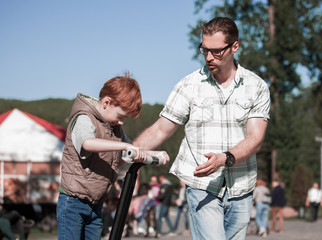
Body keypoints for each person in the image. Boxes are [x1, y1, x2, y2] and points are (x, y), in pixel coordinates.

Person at [133, 16, 270, 240]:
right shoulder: (189, 85)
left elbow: (255, 138)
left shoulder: (256, 86)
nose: (208, 57)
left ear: (235, 47)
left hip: (241, 186)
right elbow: (161, 129)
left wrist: (224, 158)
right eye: (204, 50)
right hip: (201, 185)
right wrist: (126, 153)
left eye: (216, 51)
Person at [56, 75, 169, 240]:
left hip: (96, 203)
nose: (122, 122)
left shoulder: (114, 127)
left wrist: (154, 154)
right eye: (121, 116)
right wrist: (124, 146)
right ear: (107, 102)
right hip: (73, 201)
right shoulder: (84, 118)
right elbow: (88, 143)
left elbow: (132, 150)